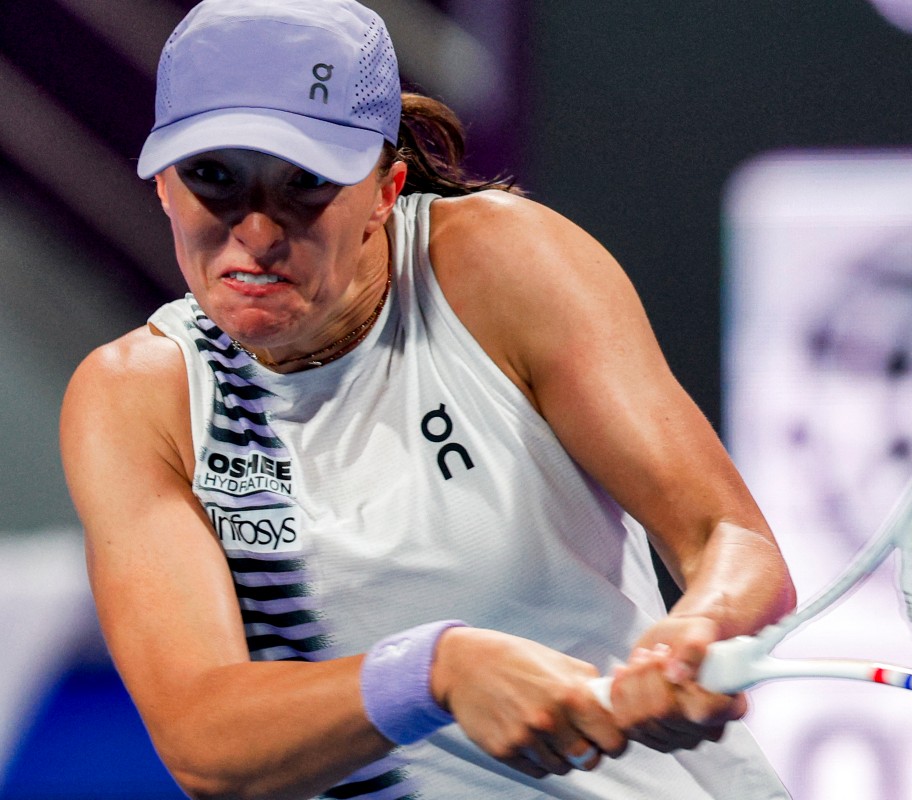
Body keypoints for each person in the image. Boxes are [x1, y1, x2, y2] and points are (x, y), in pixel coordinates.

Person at [59, 1, 796, 797]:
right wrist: (436, 671)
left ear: (385, 189)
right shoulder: (135, 397)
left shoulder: (502, 264)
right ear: (164, 185)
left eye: (305, 182)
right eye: (214, 177)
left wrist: (693, 635)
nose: (259, 232)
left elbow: (729, 538)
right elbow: (206, 743)